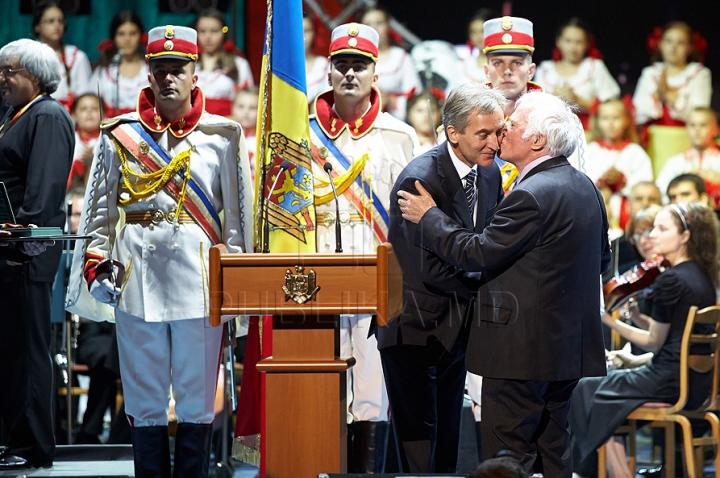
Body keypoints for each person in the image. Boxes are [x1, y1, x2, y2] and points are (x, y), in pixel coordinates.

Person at [65, 25, 253, 478]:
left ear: (195, 74)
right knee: (145, 402)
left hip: (200, 287)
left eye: (178, 69)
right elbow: (98, 215)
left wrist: (236, 281)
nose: (169, 78)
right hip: (136, 282)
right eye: (160, 69)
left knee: (195, 401)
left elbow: (237, 220)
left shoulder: (223, 136)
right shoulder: (119, 136)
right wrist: (96, 267)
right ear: (148, 75)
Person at [397, 91, 611, 477]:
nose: (500, 135)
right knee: (552, 453)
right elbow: (602, 261)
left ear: (537, 140)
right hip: (568, 353)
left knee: (508, 457)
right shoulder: (585, 187)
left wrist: (429, 216)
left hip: (520, 355)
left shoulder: (531, 193)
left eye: (510, 126)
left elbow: (476, 252)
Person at [378, 82, 505, 473]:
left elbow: (487, 240)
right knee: (418, 439)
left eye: (499, 132)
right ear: (454, 133)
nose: (494, 143)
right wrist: (481, 282)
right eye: (483, 133)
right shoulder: (419, 179)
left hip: (457, 329)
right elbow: (422, 267)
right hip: (416, 329)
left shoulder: (489, 173)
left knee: (449, 432)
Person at [309, 22, 418, 472]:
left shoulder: (399, 136)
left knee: (372, 392)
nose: (350, 74)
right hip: (313, 277)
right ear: (328, 71)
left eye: (360, 65)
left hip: (376, 276)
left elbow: (411, 220)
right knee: (319, 387)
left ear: (375, 72)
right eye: (342, 64)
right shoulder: (302, 131)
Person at [570, 202, 718, 478]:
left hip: (667, 381)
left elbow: (653, 342)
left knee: (583, 389)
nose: (652, 236)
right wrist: (636, 317)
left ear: (685, 236)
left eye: (662, 229)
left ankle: (600, 473)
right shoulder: (701, 278)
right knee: (595, 393)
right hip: (695, 381)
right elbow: (676, 338)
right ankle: (603, 471)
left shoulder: (670, 280)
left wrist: (607, 319)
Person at [0, 38, 74, 470]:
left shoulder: (48, 115)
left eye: (10, 70)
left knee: (27, 353)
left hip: (24, 255)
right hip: (6, 253)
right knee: (8, 352)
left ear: (36, 75)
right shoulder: (12, 114)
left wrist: (21, 246)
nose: (2, 78)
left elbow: (43, 195)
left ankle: (31, 447)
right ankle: (12, 437)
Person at [481, 16, 588, 189]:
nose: (507, 71)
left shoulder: (560, 121)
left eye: (517, 63)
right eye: (498, 63)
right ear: (486, 71)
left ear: (531, 71)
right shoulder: (465, 119)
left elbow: (575, 185)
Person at [632, 22, 711, 172]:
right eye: (668, 41)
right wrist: (655, 101)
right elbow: (638, 110)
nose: (673, 47)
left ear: (689, 48)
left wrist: (668, 95)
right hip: (654, 142)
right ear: (659, 44)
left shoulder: (699, 74)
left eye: (680, 42)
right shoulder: (651, 72)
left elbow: (699, 112)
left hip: (685, 140)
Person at [535, 18, 620, 130]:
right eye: (568, 41)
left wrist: (578, 100)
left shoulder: (594, 67)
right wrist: (552, 99)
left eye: (578, 42)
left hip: (587, 131)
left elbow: (611, 105)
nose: (573, 48)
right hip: (549, 131)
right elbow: (533, 105)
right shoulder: (545, 69)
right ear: (558, 41)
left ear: (587, 44)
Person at [585, 98, 653, 229]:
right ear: (598, 121)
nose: (610, 124)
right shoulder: (590, 150)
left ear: (626, 121)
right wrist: (600, 183)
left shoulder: (635, 152)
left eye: (616, 118)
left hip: (625, 211)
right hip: (595, 207)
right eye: (605, 118)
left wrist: (622, 181)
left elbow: (645, 184)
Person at [360, 4, 422, 121]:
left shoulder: (401, 58)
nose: (374, 29)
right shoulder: (354, 58)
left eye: (379, 23)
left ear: (388, 26)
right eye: (368, 25)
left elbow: (416, 99)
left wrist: (391, 100)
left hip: (395, 122)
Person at [32, 0, 92, 111]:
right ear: (37, 26)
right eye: (51, 21)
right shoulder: (28, 57)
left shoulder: (77, 57)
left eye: (60, 21)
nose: (57, 25)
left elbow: (85, 98)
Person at [194, 8, 254, 116]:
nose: (208, 37)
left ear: (224, 32)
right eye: (202, 31)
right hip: (192, 124)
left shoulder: (239, 63)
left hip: (228, 123)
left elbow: (249, 98)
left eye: (214, 31)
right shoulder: (189, 64)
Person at [655, 108, 720, 203]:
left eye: (703, 125)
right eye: (692, 125)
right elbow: (660, 192)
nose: (697, 130)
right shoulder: (676, 162)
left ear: (715, 129)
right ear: (686, 128)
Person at [90, 10, 148, 118]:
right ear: (114, 38)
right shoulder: (104, 71)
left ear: (141, 36)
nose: (127, 39)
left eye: (133, 33)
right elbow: (90, 102)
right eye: (121, 34)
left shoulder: (150, 69)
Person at [67, 93, 104, 190]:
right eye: (83, 109)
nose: (89, 112)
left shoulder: (108, 141)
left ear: (104, 114)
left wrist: (92, 162)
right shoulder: (69, 140)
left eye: (95, 109)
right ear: (74, 115)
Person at [230, 86, 258, 180]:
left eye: (253, 108)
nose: (246, 112)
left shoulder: (263, 140)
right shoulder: (225, 136)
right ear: (232, 108)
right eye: (241, 106)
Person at [303, 11, 330, 107]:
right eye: (297, 30)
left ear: (315, 32)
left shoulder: (324, 64)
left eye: (306, 30)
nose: (303, 36)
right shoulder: (281, 68)